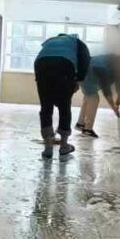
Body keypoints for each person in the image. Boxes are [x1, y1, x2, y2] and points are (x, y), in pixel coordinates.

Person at [33, 31, 90, 160]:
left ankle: (48, 147)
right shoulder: (77, 43)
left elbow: (40, 57)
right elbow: (85, 61)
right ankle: (64, 146)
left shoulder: (50, 41)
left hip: (41, 64)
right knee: (64, 107)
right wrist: (77, 81)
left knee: (46, 107)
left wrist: (40, 80)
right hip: (64, 65)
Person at [76, 52, 120, 137]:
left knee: (88, 98)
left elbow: (119, 82)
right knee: (94, 99)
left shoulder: (114, 62)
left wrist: (119, 98)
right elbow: (106, 91)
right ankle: (88, 129)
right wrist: (114, 108)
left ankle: (80, 123)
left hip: (85, 73)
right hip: (85, 75)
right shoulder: (103, 68)